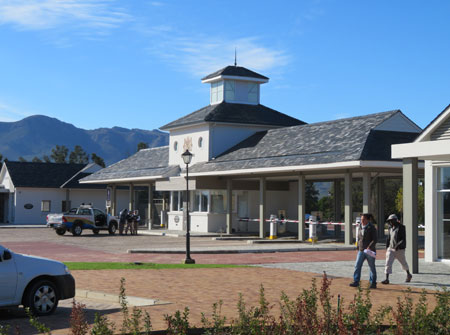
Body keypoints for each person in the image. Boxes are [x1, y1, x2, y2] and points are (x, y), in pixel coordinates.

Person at [381, 214, 412, 285]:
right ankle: (387, 279)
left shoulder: (401, 227)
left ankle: (408, 274)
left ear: (395, 220)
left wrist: (397, 245)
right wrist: (387, 247)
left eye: (391, 221)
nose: (390, 222)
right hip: (391, 249)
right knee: (388, 263)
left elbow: (403, 239)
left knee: (403, 263)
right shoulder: (390, 228)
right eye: (389, 221)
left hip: (399, 249)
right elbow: (388, 238)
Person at [349, 213, 378, 289]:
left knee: (372, 267)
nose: (362, 221)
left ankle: (373, 283)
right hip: (361, 250)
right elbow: (359, 238)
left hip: (369, 251)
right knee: (357, 265)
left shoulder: (372, 227)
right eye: (361, 219)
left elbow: (375, 239)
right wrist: (357, 247)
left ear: (368, 220)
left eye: (363, 219)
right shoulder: (360, 227)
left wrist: (369, 247)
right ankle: (356, 281)